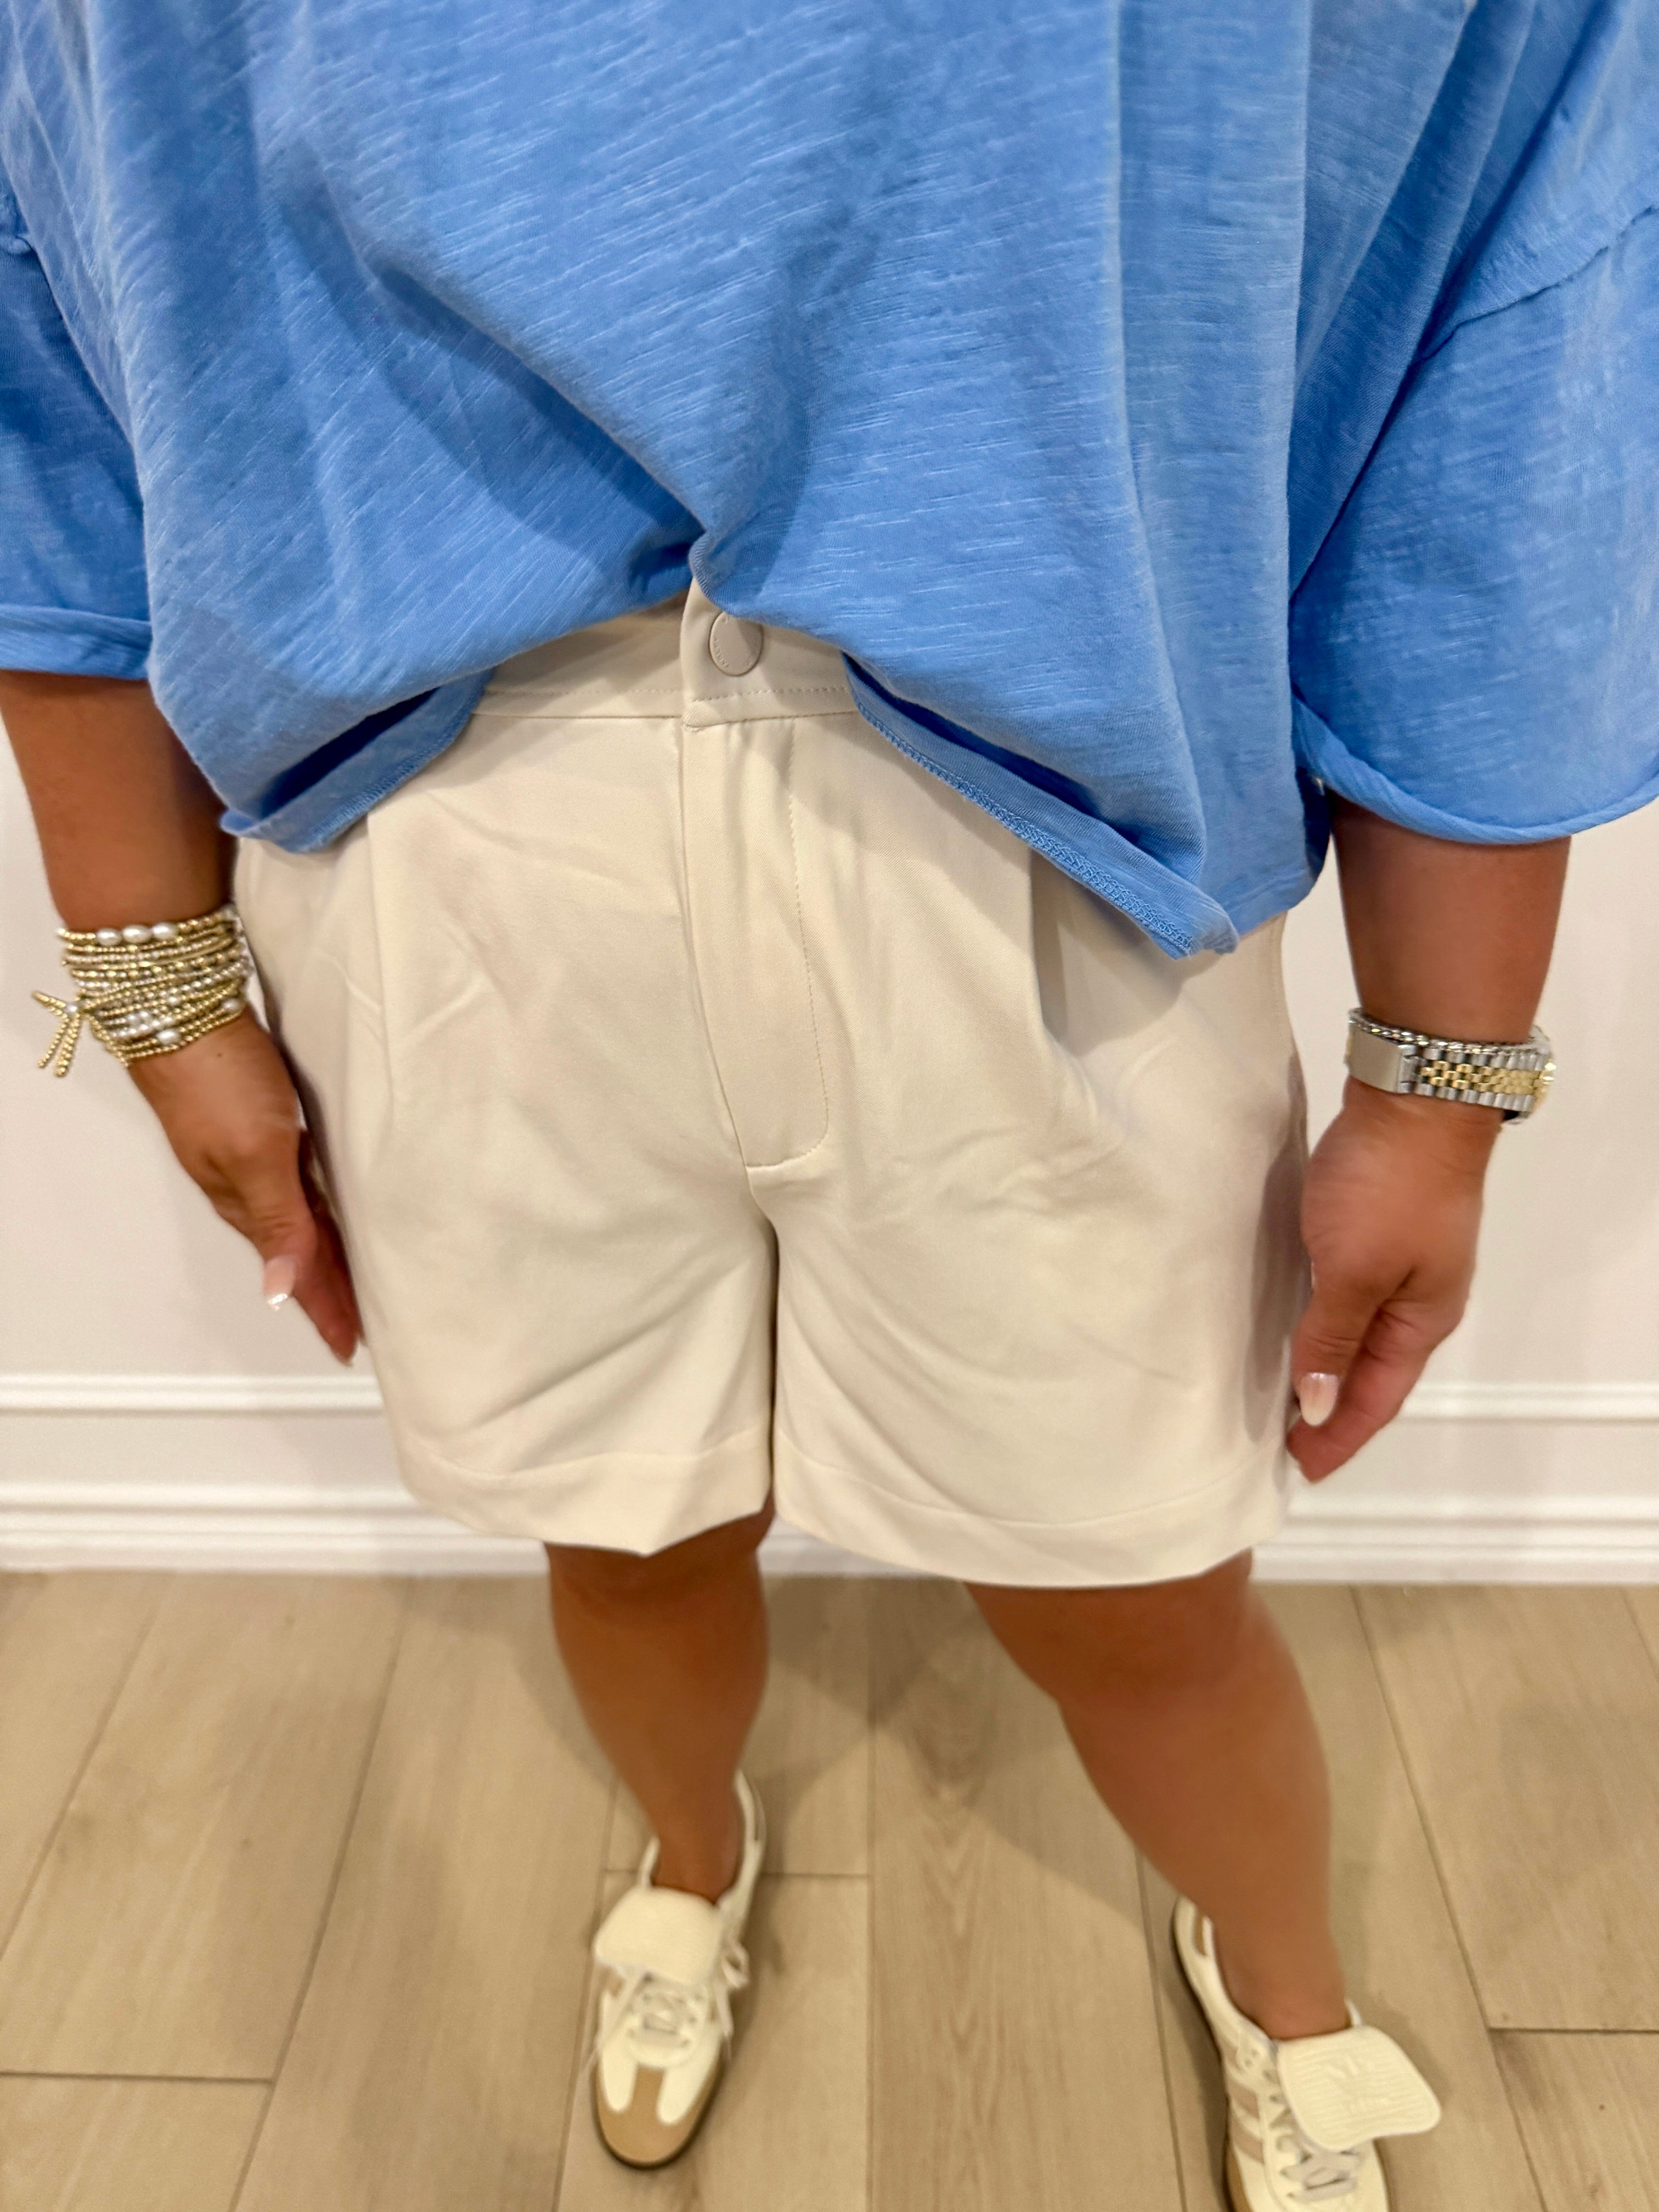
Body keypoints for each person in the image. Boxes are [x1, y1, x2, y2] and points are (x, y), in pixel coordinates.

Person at [2, 2, 1652, 2203]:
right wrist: (150, 960)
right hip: (444, 828)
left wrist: (1441, 1076)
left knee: (1140, 1586)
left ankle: (1288, 1988)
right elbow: (53, 294)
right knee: (627, 1525)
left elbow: (1508, 265)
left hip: (1061, 839)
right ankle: (693, 1863)